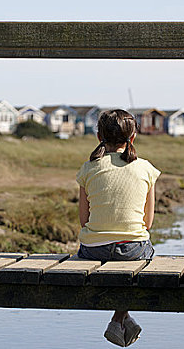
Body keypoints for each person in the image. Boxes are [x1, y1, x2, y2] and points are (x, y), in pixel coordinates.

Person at [75, 109, 160, 347]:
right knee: (143, 253)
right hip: (134, 249)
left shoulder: (89, 168)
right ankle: (120, 317)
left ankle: (122, 318)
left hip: (94, 250)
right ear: (133, 137)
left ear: (99, 136)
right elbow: (148, 222)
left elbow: (84, 221)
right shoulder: (145, 168)